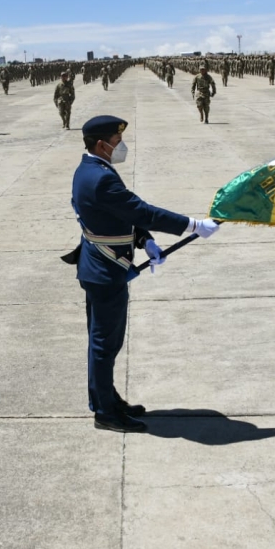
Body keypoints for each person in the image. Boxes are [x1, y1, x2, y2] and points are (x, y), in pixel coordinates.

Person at [68, 116, 220, 433]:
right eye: (116, 140)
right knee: (103, 344)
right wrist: (193, 225)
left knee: (103, 342)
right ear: (101, 145)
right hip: (106, 272)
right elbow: (141, 211)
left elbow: (118, 215)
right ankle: (105, 412)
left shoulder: (90, 170)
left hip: (97, 266)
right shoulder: (100, 178)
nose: (120, 146)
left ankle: (106, 398)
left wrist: (144, 240)